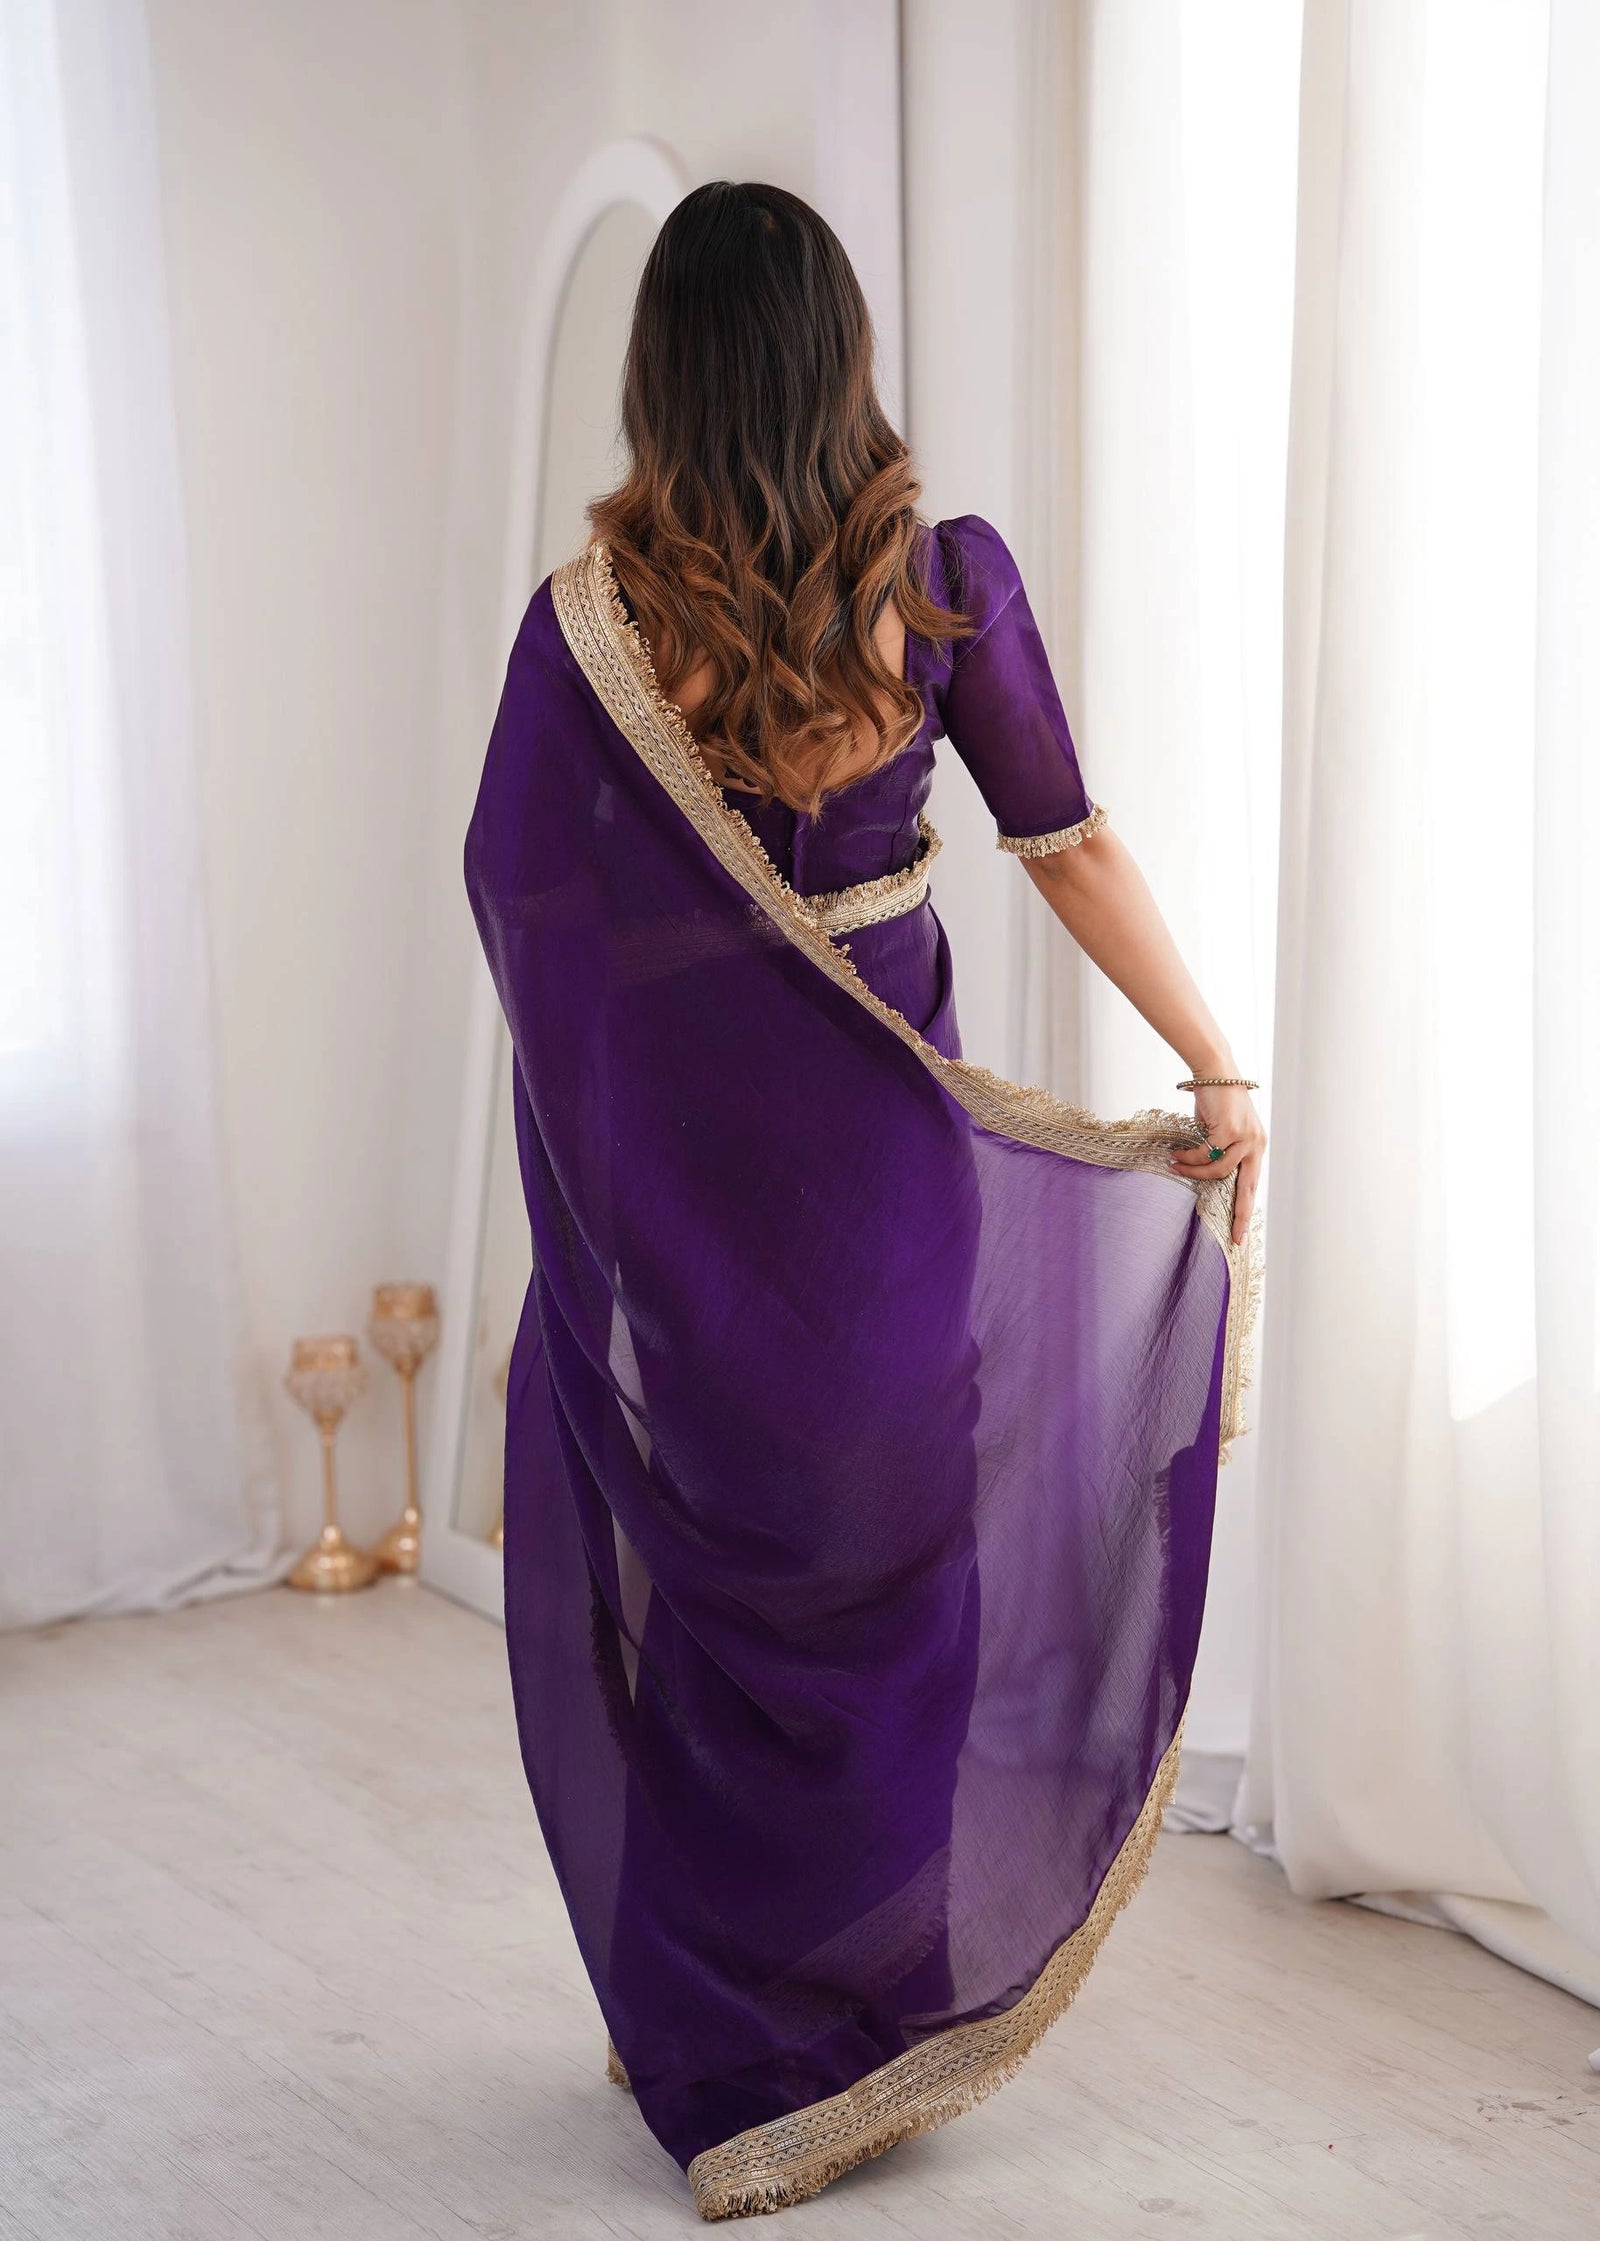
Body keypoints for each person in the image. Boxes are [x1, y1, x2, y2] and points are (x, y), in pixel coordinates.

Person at [464, 179, 1266, 2223]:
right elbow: (1067, 843)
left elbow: (524, 897)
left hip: (693, 1212)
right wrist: (1211, 1059)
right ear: (842, 359)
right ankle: (864, 2018)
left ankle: (721, 2030)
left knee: (720, 1600)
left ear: (660, 375)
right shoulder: (937, 589)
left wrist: (616, 1167)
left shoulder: (595, 632)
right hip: (888, 1194)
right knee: (896, 1584)